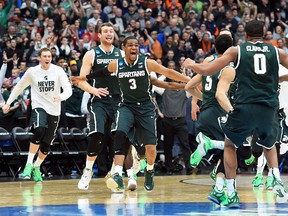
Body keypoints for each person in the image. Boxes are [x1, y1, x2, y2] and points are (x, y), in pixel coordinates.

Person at [182, 20, 288, 208]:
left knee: (230, 145)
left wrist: (192, 64)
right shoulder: (276, 51)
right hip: (269, 107)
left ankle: (230, 191)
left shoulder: (236, 51)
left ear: (245, 36)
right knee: (269, 143)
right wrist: (277, 78)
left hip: (245, 106)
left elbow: (207, 70)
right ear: (264, 34)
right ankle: (275, 177)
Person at [74, 36, 190, 192]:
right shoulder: (117, 64)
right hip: (126, 106)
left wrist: (188, 80)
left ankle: (149, 170)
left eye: (136, 45)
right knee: (119, 134)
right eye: (130, 45)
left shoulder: (147, 63)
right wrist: (84, 77)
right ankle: (117, 174)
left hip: (145, 108)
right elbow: (101, 73)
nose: (134, 48)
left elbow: (168, 72)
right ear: (124, 48)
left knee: (150, 148)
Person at [2, 47, 72, 182]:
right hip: (39, 106)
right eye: (44, 56)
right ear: (39, 58)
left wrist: (61, 97)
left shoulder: (58, 71)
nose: (47, 59)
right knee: (39, 129)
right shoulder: (32, 72)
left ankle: (37, 167)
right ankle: (28, 164)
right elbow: (19, 87)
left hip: (54, 109)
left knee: (46, 144)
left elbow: (68, 89)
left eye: (49, 56)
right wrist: (8, 103)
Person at [74, 22, 124, 190]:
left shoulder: (122, 54)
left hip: (118, 100)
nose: (109, 33)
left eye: (111, 31)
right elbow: (81, 81)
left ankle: (115, 175)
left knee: (120, 137)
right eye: (105, 31)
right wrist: (94, 90)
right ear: (99, 35)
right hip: (99, 101)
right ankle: (87, 171)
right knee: (97, 134)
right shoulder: (91, 54)